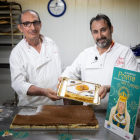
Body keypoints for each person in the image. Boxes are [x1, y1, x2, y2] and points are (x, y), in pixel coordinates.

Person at [59, 14, 139, 109]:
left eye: (103, 30)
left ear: (111, 29)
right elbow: (70, 71)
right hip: (90, 111)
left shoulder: (125, 52)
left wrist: (108, 88)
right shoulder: (86, 54)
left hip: (116, 112)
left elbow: (134, 83)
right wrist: (63, 80)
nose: (100, 36)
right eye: (95, 32)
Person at [10, 10, 62, 106]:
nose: (33, 27)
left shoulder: (51, 43)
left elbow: (59, 72)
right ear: (20, 28)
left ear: (40, 25)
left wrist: (66, 101)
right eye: (27, 24)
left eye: (35, 23)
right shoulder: (17, 53)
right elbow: (18, 84)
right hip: (31, 107)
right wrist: (43, 92)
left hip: (56, 103)